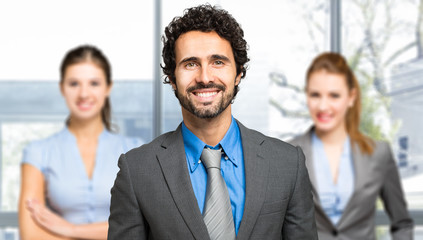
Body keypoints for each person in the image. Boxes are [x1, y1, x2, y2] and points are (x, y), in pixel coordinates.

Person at [108, 4, 317, 240]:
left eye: (218, 62)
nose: (205, 77)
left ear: (238, 73)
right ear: (172, 78)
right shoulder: (136, 171)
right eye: (190, 64)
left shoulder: (288, 163)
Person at [18, 45, 142, 240]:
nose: (84, 94)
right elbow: (31, 233)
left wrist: (70, 230)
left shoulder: (135, 149)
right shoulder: (38, 153)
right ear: (62, 88)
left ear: (108, 87)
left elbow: (143, 224)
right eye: (74, 83)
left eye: (94, 83)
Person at [289, 52, 414, 239]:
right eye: (315, 95)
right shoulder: (286, 154)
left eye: (334, 96)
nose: (323, 106)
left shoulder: (379, 153)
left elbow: (402, 223)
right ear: (307, 96)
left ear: (351, 97)